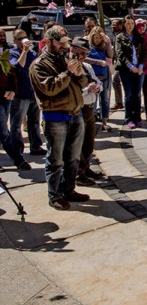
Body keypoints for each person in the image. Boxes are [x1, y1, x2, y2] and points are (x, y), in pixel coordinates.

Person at [29, 26, 90, 210]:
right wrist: (69, 73)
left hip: (75, 114)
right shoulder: (39, 65)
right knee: (56, 160)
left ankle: (69, 189)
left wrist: (79, 75)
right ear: (48, 42)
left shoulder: (66, 59)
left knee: (73, 157)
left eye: (66, 43)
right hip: (55, 117)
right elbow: (49, 89)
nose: (64, 46)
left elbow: (82, 83)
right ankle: (54, 195)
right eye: (60, 43)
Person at [69, 37, 103, 187]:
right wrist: (85, 90)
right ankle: (79, 174)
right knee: (78, 144)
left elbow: (98, 81)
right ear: (73, 51)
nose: (82, 57)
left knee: (89, 142)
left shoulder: (87, 67)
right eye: (80, 53)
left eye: (85, 53)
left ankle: (86, 168)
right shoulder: (69, 68)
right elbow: (69, 91)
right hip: (78, 109)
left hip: (90, 108)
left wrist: (97, 87)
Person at [9, 29, 46, 157]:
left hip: (33, 93)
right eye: (19, 39)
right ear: (14, 41)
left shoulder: (32, 53)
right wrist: (24, 51)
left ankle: (36, 147)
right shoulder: (12, 53)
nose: (22, 40)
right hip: (20, 95)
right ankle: (17, 150)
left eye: (24, 37)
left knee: (34, 122)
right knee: (17, 124)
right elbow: (18, 67)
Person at [115, 15, 147, 130]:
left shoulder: (139, 37)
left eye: (132, 23)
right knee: (128, 95)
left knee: (137, 95)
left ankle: (137, 118)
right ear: (124, 24)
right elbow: (120, 54)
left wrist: (141, 66)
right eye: (127, 23)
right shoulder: (120, 37)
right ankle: (129, 119)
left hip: (139, 69)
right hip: (126, 70)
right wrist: (130, 66)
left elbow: (144, 52)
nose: (130, 26)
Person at [0, 48, 27, 171]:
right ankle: (18, 160)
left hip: (6, 99)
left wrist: (12, 90)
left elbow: (12, 75)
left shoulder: (4, 59)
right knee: (4, 132)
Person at [87, 26, 114, 132]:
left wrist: (107, 43)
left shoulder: (104, 46)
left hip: (105, 76)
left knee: (105, 100)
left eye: (99, 38)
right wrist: (98, 62)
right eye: (96, 37)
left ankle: (104, 122)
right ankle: (91, 122)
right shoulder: (88, 46)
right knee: (93, 101)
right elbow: (85, 58)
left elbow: (111, 56)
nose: (97, 40)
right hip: (93, 78)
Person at [110, 18, 125, 111]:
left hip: (123, 64)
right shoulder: (115, 34)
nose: (113, 26)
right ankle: (119, 102)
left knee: (116, 81)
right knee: (116, 81)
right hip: (119, 63)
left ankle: (120, 102)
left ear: (120, 25)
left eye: (115, 24)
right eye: (112, 24)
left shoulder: (122, 35)